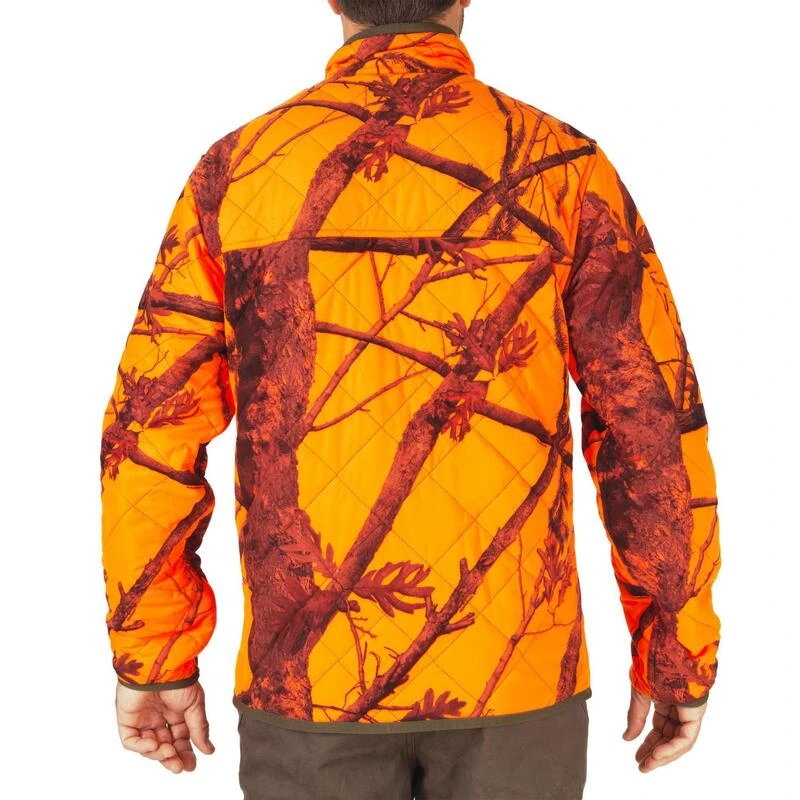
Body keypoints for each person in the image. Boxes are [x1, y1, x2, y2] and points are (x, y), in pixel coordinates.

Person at [100, 1, 722, 797]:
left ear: (333, 0)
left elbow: (149, 432)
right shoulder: (561, 166)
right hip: (519, 678)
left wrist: (154, 653)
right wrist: (675, 652)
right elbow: (650, 426)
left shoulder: (240, 173)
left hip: (310, 684)